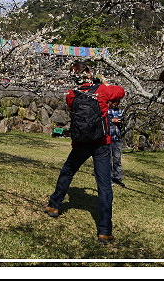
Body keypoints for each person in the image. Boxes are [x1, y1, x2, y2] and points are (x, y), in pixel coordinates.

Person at [45, 61, 125, 244]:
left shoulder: (71, 95)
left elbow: (73, 109)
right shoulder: (102, 91)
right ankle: (104, 231)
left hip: (81, 142)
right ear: (88, 73)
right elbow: (120, 91)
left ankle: (54, 206)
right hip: (101, 143)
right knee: (104, 185)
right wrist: (103, 84)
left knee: (68, 171)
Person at [107, 97, 125, 188]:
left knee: (117, 159)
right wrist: (112, 120)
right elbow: (104, 120)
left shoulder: (119, 110)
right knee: (108, 159)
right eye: (115, 103)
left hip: (117, 137)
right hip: (108, 136)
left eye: (117, 103)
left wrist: (120, 121)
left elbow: (121, 120)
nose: (116, 105)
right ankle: (109, 178)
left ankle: (118, 177)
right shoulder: (106, 109)